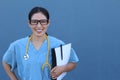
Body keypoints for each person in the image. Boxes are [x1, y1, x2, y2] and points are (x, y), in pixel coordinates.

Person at [2, 6, 79, 80]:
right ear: (29, 23)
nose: (39, 26)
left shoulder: (58, 44)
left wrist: (63, 68)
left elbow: (73, 62)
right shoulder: (17, 46)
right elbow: (5, 62)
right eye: (34, 22)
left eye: (43, 21)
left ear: (48, 22)